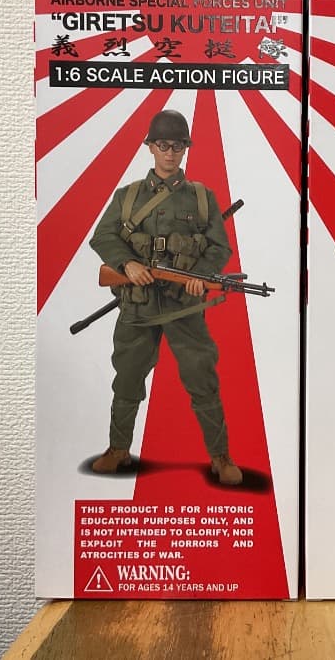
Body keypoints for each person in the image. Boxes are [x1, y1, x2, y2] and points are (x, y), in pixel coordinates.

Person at [86, 109, 242, 485]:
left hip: (183, 306)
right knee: (127, 377)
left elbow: (219, 247)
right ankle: (118, 449)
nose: (170, 153)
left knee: (202, 378)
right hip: (137, 306)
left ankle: (220, 456)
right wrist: (126, 264)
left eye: (177, 146)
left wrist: (199, 277)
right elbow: (102, 236)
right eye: (163, 145)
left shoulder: (202, 198)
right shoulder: (127, 197)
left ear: (185, 149)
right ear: (150, 147)